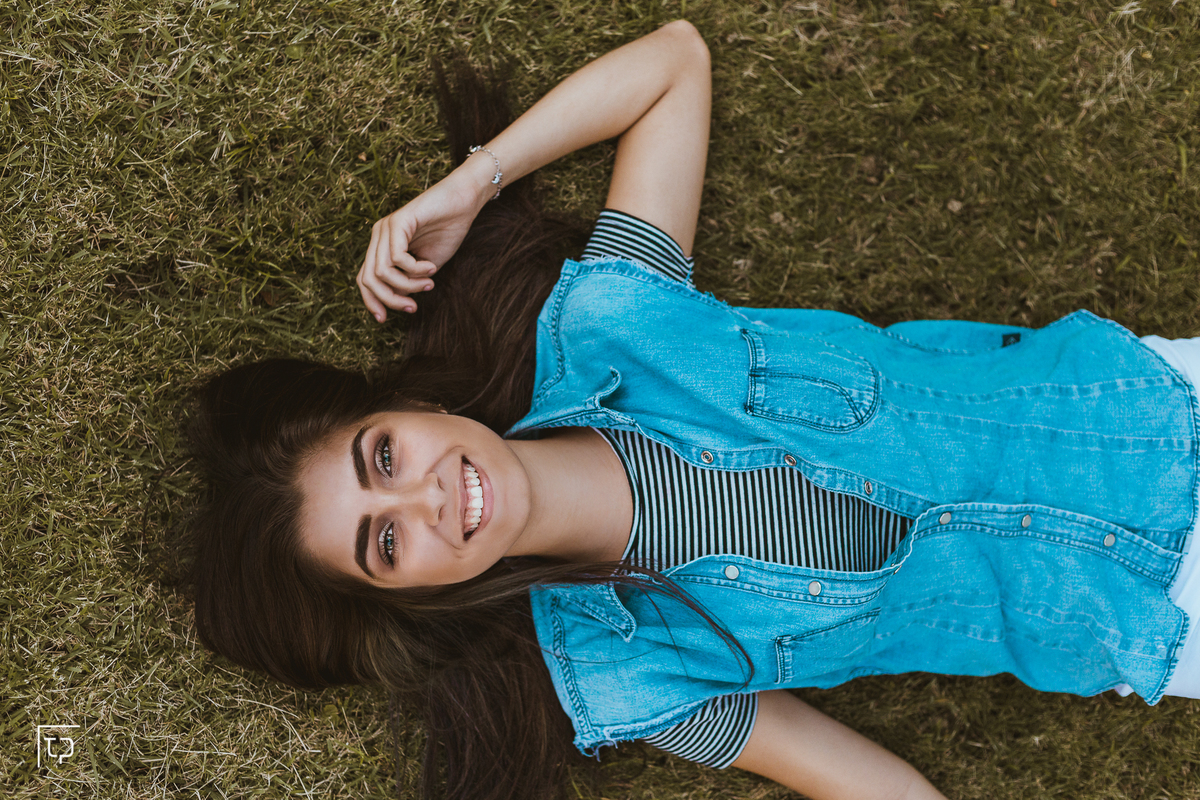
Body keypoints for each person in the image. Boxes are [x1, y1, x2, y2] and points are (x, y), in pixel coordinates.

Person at [186, 20, 1200, 800]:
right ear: (405, 595)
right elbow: (853, 774)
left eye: (383, 456)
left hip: (1143, 403)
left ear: (403, 404)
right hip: (1150, 618)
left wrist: (468, 186)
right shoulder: (632, 678)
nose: (428, 498)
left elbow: (675, 64)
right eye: (386, 544)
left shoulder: (612, 327)